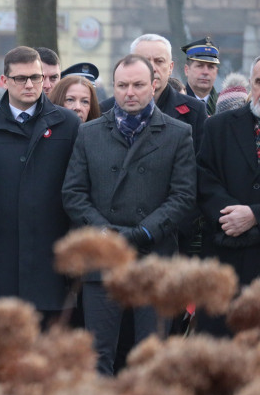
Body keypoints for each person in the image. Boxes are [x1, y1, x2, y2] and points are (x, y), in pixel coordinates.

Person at [62, 54, 196, 373]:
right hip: (102, 260)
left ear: (153, 85)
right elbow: (73, 193)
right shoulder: (89, 133)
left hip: (154, 256)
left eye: (137, 84)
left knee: (151, 357)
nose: (129, 92)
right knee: (99, 356)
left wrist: (142, 233)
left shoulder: (178, 133)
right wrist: (106, 232)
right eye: (122, 85)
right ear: (114, 88)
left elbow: (183, 196)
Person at [0, 45, 80, 321]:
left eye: (36, 77)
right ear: (4, 81)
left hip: (52, 259)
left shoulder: (68, 124)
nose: (30, 85)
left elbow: (76, 193)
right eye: (21, 78)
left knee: (47, 353)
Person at [196, 55, 260, 337]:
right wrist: (232, 213)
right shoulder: (219, 126)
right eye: (259, 82)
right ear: (251, 85)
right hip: (226, 256)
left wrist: (255, 215)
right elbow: (203, 178)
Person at [101, 34, 205, 152]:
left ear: (170, 67)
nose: (152, 68)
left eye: (159, 61)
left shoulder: (194, 111)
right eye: (144, 61)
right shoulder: (105, 110)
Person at [182, 37, 220, 116]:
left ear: (216, 72)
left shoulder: (223, 104)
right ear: (186, 70)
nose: (205, 72)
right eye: (200, 66)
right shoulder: (176, 103)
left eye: (211, 67)